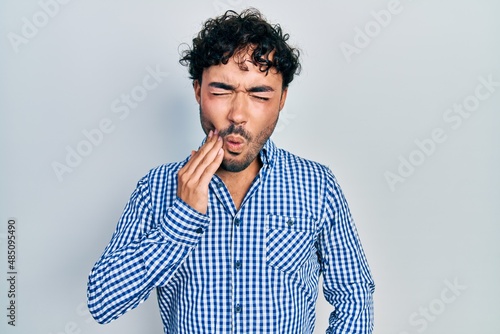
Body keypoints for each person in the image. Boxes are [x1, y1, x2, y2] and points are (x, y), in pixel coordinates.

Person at [87, 8, 375, 333]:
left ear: (282, 99)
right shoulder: (156, 188)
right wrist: (181, 219)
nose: (238, 114)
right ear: (198, 90)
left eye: (259, 93)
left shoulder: (317, 185)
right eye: (222, 91)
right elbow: (102, 302)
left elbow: (354, 295)